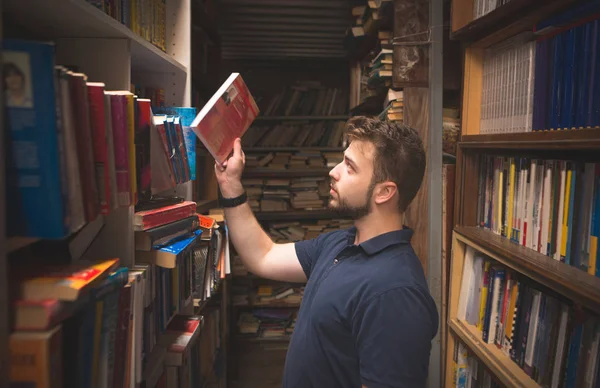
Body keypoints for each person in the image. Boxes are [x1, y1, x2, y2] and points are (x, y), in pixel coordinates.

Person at [215, 116, 439, 388]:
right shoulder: (340, 243)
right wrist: (230, 185)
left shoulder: (396, 292)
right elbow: (263, 256)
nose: (334, 171)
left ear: (384, 192)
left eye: (350, 167)